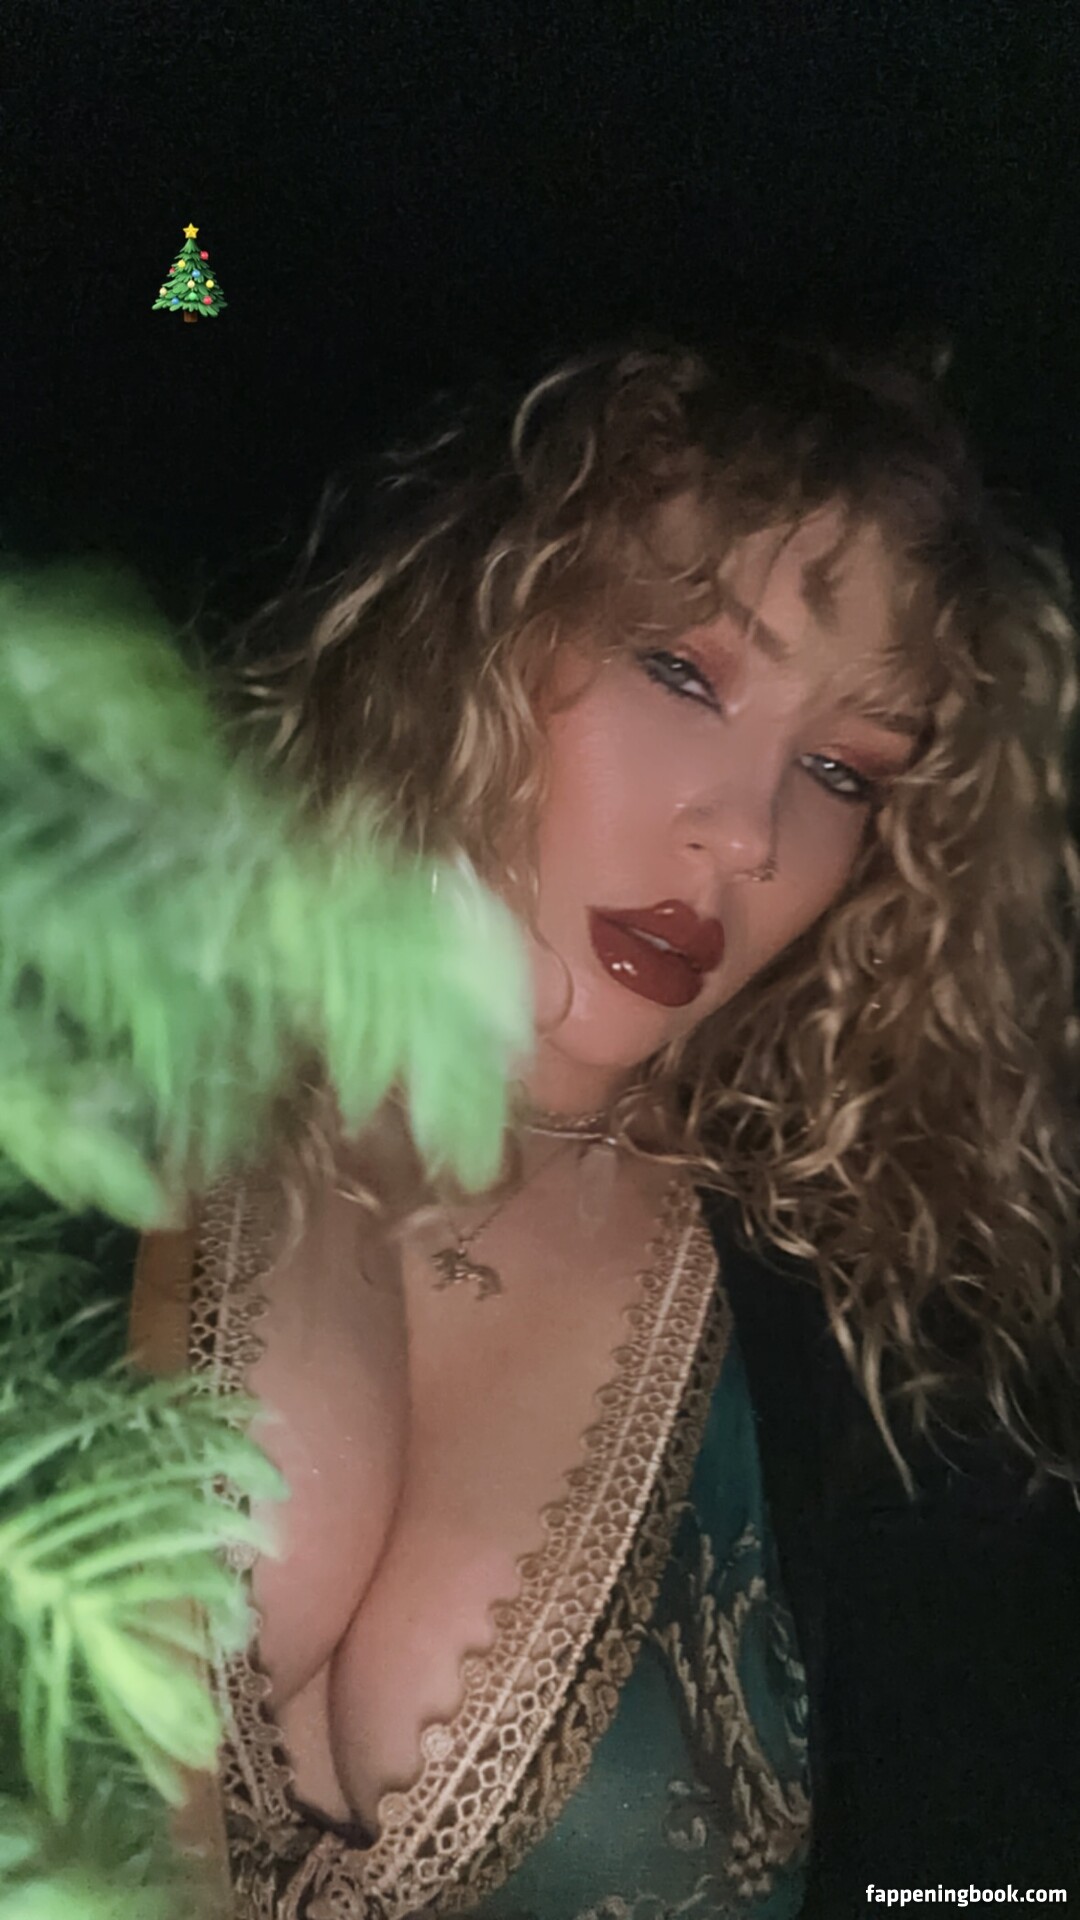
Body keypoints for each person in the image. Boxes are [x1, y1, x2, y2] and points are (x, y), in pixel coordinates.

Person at [129, 332, 1080, 1919]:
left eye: (842, 771)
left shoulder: (879, 1347)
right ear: (474, 626)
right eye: (685, 673)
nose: (746, 833)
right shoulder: (87, 1037)